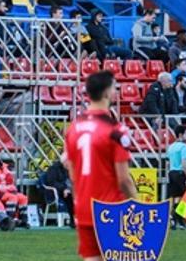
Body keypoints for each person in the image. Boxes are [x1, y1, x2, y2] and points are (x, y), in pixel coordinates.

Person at [64, 71, 138, 260]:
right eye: (114, 88)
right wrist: (137, 207)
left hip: (84, 207)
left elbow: (73, 175)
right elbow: (124, 180)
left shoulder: (73, 128)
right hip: (110, 209)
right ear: (107, 93)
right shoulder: (116, 130)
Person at [167, 125, 186, 229]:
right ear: (180, 135)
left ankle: (174, 221)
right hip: (180, 173)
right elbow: (184, 164)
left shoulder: (171, 147)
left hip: (171, 173)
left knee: (176, 197)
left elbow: (168, 163)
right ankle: (179, 220)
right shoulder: (184, 147)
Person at [43, 159, 74, 228]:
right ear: (64, 162)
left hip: (66, 190)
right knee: (70, 197)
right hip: (54, 192)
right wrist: (64, 189)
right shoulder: (53, 169)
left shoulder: (68, 169)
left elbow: (70, 181)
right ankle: (72, 220)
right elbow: (52, 183)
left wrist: (68, 189)